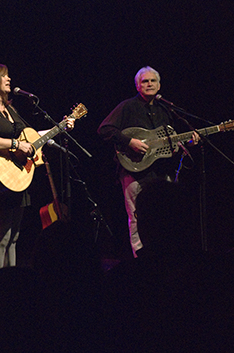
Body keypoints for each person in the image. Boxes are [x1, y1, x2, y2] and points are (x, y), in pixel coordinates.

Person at [0, 63, 74, 270]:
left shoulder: (10, 109)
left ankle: (12, 285)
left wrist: (59, 127)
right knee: (0, 239)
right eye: (4, 76)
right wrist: (15, 144)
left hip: (16, 177)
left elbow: (31, 138)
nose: (9, 79)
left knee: (14, 238)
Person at [97, 66, 198, 257]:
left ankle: (167, 257)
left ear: (159, 85)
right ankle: (140, 259)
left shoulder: (167, 110)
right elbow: (104, 129)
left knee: (167, 215)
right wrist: (130, 142)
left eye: (153, 81)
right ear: (137, 85)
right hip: (133, 171)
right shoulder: (127, 107)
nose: (149, 84)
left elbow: (174, 142)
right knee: (136, 217)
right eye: (145, 81)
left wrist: (190, 142)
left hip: (162, 171)